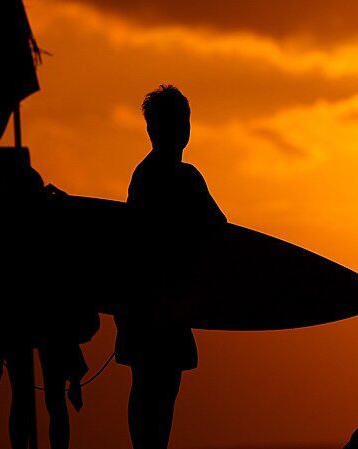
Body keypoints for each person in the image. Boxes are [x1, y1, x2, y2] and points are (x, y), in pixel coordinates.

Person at [114, 84, 227, 449]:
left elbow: (219, 229)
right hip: (153, 303)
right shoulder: (159, 176)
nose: (182, 129)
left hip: (169, 303)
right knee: (151, 385)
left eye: (185, 121)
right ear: (154, 129)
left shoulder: (179, 176)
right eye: (176, 122)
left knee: (160, 386)